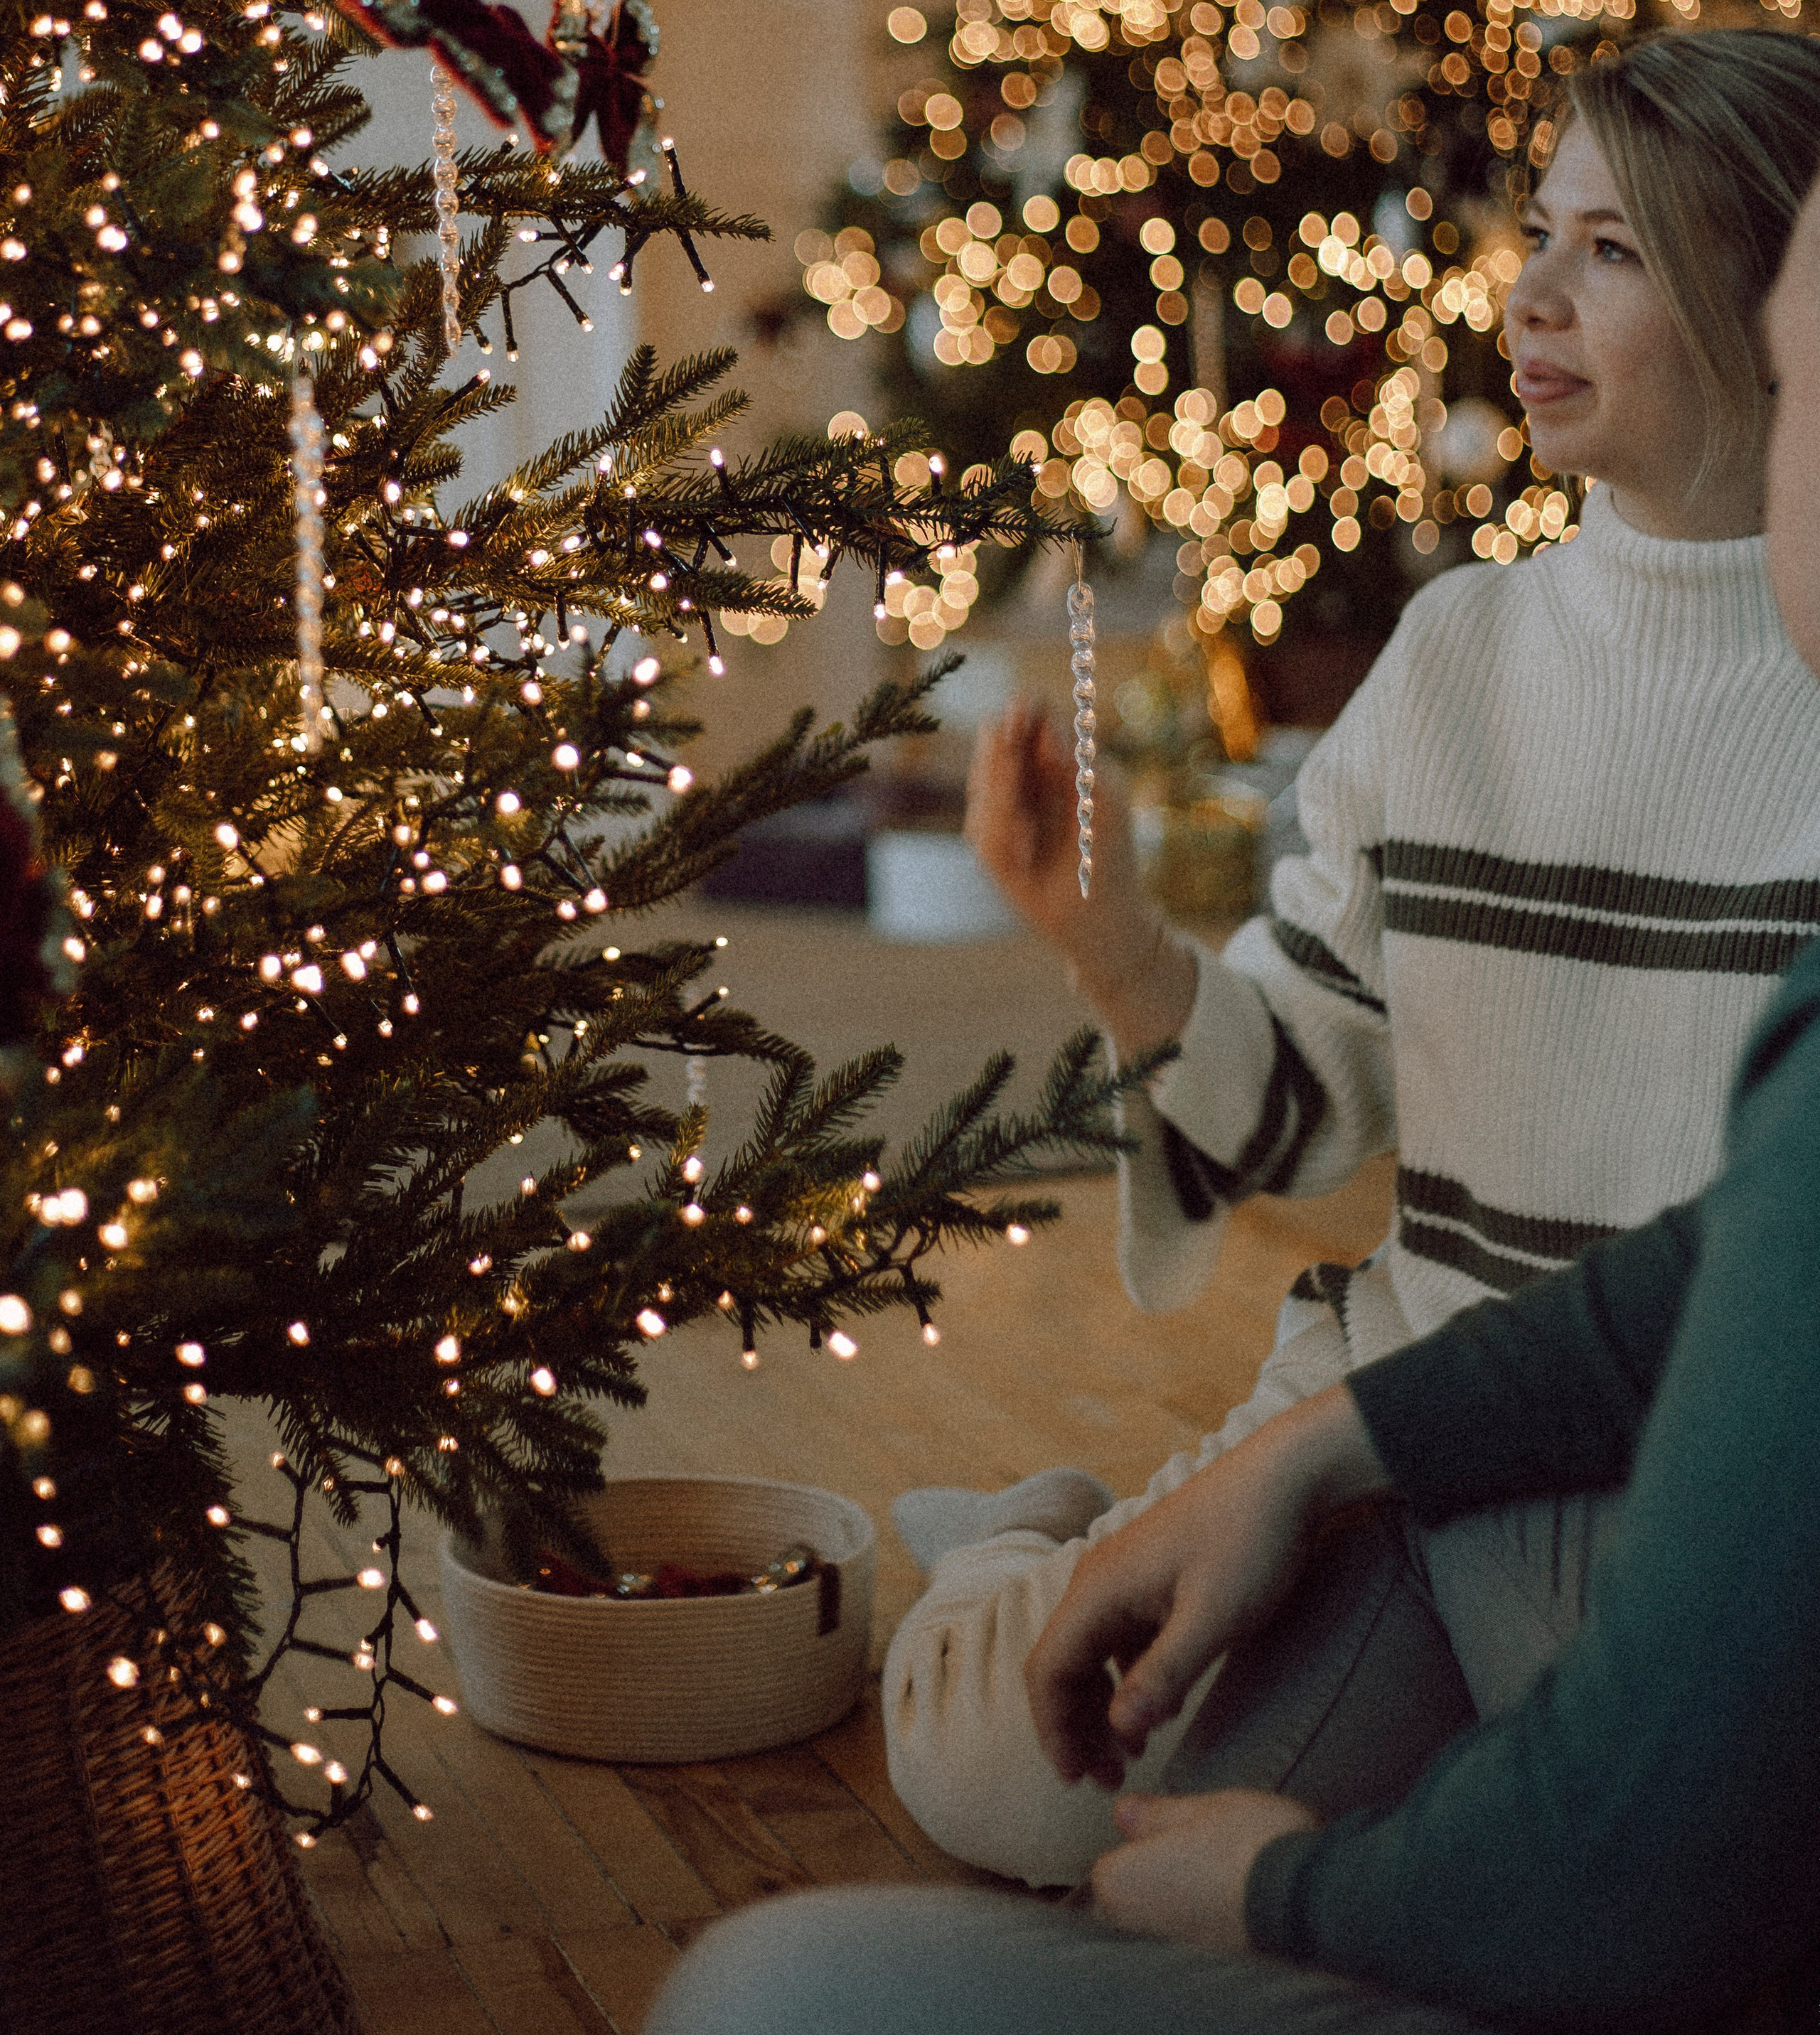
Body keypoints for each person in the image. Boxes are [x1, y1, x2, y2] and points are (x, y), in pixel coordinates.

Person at [641, 100, 1820, 2035]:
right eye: (1540, 230)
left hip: (1660, 1496)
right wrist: (1113, 945)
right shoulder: (1456, 657)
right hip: (1384, 1439)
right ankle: (1021, 1534)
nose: (1528, 293)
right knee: (1008, 1773)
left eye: (1612, 249)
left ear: (1779, 308)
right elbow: (1297, 1100)